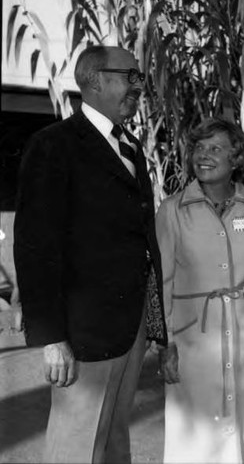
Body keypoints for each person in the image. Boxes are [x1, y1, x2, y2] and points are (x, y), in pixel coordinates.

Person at [13, 45, 167, 463]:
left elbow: (142, 243)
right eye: (130, 76)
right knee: (76, 445)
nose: (139, 86)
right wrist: (51, 338)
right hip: (82, 334)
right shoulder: (54, 145)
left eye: (140, 78)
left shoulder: (132, 147)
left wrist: (155, 324)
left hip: (129, 328)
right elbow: (35, 244)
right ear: (95, 80)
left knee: (114, 437)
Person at [155, 118, 244, 463]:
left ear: (236, 159)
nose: (203, 156)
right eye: (199, 148)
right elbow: (160, 280)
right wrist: (164, 342)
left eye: (215, 149)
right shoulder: (172, 210)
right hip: (192, 341)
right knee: (197, 438)